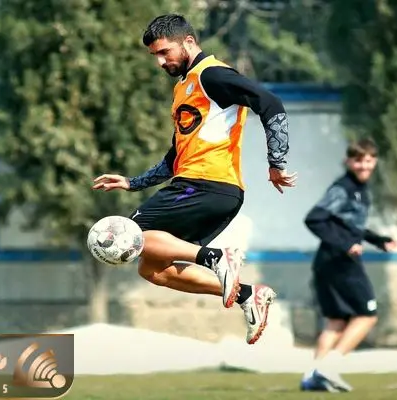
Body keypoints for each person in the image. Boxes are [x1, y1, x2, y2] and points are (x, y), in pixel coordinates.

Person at [92, 14, 297, 345]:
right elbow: (174, 157)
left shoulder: (211, 75)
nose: (160, 62)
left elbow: (270, 103)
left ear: (188, 42)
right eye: (155, 56)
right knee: (152, 269)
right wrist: (132, 182)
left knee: (132, 233)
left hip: (205, 183)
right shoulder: (183, 88)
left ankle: (215, 257)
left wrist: (277, 161)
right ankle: (247, 295)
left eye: (164, 52)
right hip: (206, 188)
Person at [301, 138, 397, 391]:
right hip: (340, 262)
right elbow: (314, 219)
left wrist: (378, 240)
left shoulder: (360, 189)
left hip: (329, 260)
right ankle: (328, 369)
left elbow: (349, 226)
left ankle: (311, 378)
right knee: (367, 316)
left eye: (368, 160)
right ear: (348, 161)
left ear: (374, 161)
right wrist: (345, 244)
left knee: (336, 321)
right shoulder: (343, 188)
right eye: (358, 160)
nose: (364, 165)